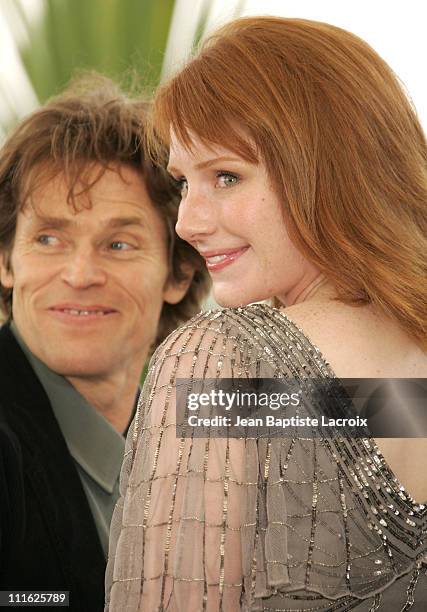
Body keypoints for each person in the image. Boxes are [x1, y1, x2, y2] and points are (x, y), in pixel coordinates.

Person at [105, 17, 427, 611]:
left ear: (328, 170)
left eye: (226, 176)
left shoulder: (221, 364)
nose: (187, 223)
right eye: (184, 182)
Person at [0, 75, 209, 611]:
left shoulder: (191, 416)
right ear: (6, 261)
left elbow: (387, 407)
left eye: (119, 243)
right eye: (49, 238)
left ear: (179, 272)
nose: (80, 272)